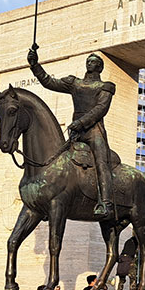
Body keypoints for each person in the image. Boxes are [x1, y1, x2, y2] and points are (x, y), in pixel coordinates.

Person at [27, 48, 116, 218]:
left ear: (100, 67)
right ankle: (49, 198)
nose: (89, 63)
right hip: (76, 132)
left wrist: (81, 122)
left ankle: (106, 203)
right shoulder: (75, 83)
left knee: (101, 162)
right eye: (88, 61)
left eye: (94, 62)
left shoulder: (105, 87)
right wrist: (35, 65)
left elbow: (100, 109)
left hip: (94, 130)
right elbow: (49, 82)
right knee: (56, 160)